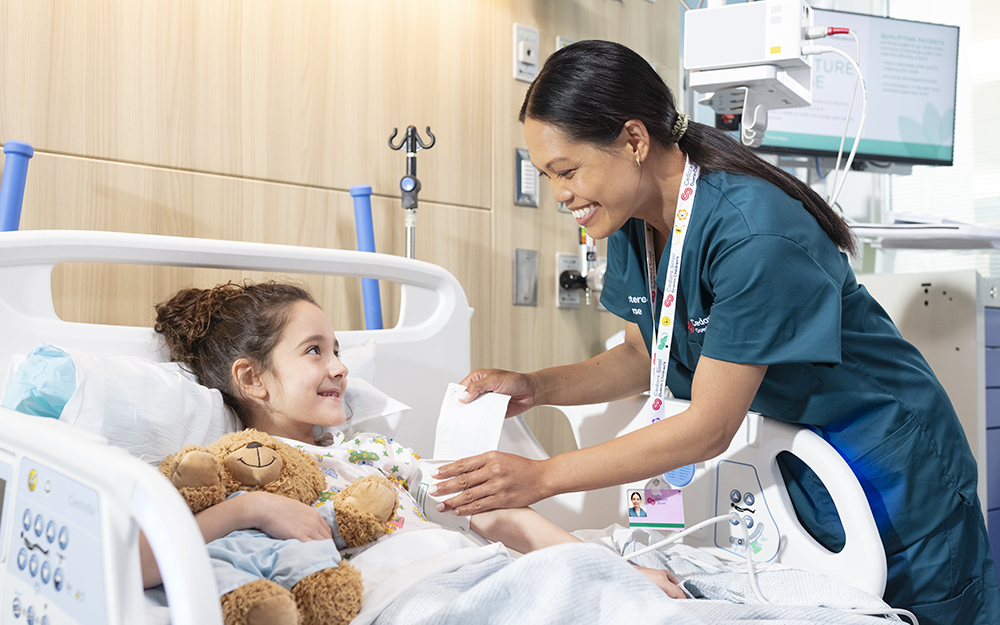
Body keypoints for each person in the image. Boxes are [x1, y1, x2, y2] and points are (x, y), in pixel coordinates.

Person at [431, 40, 1000, 625]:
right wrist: (534, 386)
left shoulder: (755, 234)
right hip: (800, 463)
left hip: (888, 466)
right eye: (546, 175)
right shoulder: (634, 220)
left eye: (567, 170)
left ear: (633, 141)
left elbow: (708, 426)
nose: (559, 195)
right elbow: (641, 354)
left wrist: (541, 477)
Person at [138, 280, 684, 601]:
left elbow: (491, 514)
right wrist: (250, 508)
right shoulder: (226, 473)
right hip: (406, 601)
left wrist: (615, 570)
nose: (340, 367)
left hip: (479, 574)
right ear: (252, 379)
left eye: (337, 349)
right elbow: (138, 562)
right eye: (314, 351)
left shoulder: (372, 455)